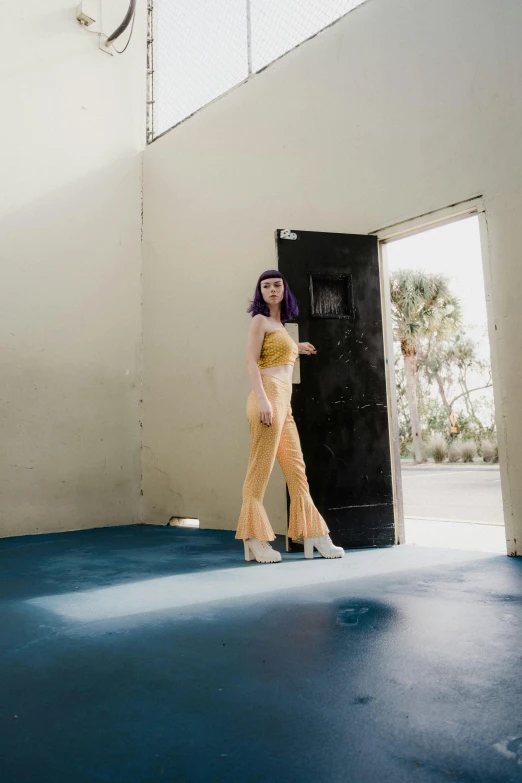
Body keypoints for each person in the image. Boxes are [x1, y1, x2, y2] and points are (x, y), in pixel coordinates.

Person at [235, 270, 345, 564]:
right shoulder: (259, 321)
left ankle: (314, 534)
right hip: (268, 397)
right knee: (260, 469)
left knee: (297, 471)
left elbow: (277, 352)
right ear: (260, 292)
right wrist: (262, 399)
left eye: (277, 285)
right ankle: (254, 538)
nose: (272, 290)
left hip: (285, 402)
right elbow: (251, 360)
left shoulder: (279, 325)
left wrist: (297, 347)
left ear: (285, 290)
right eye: (266, 286)